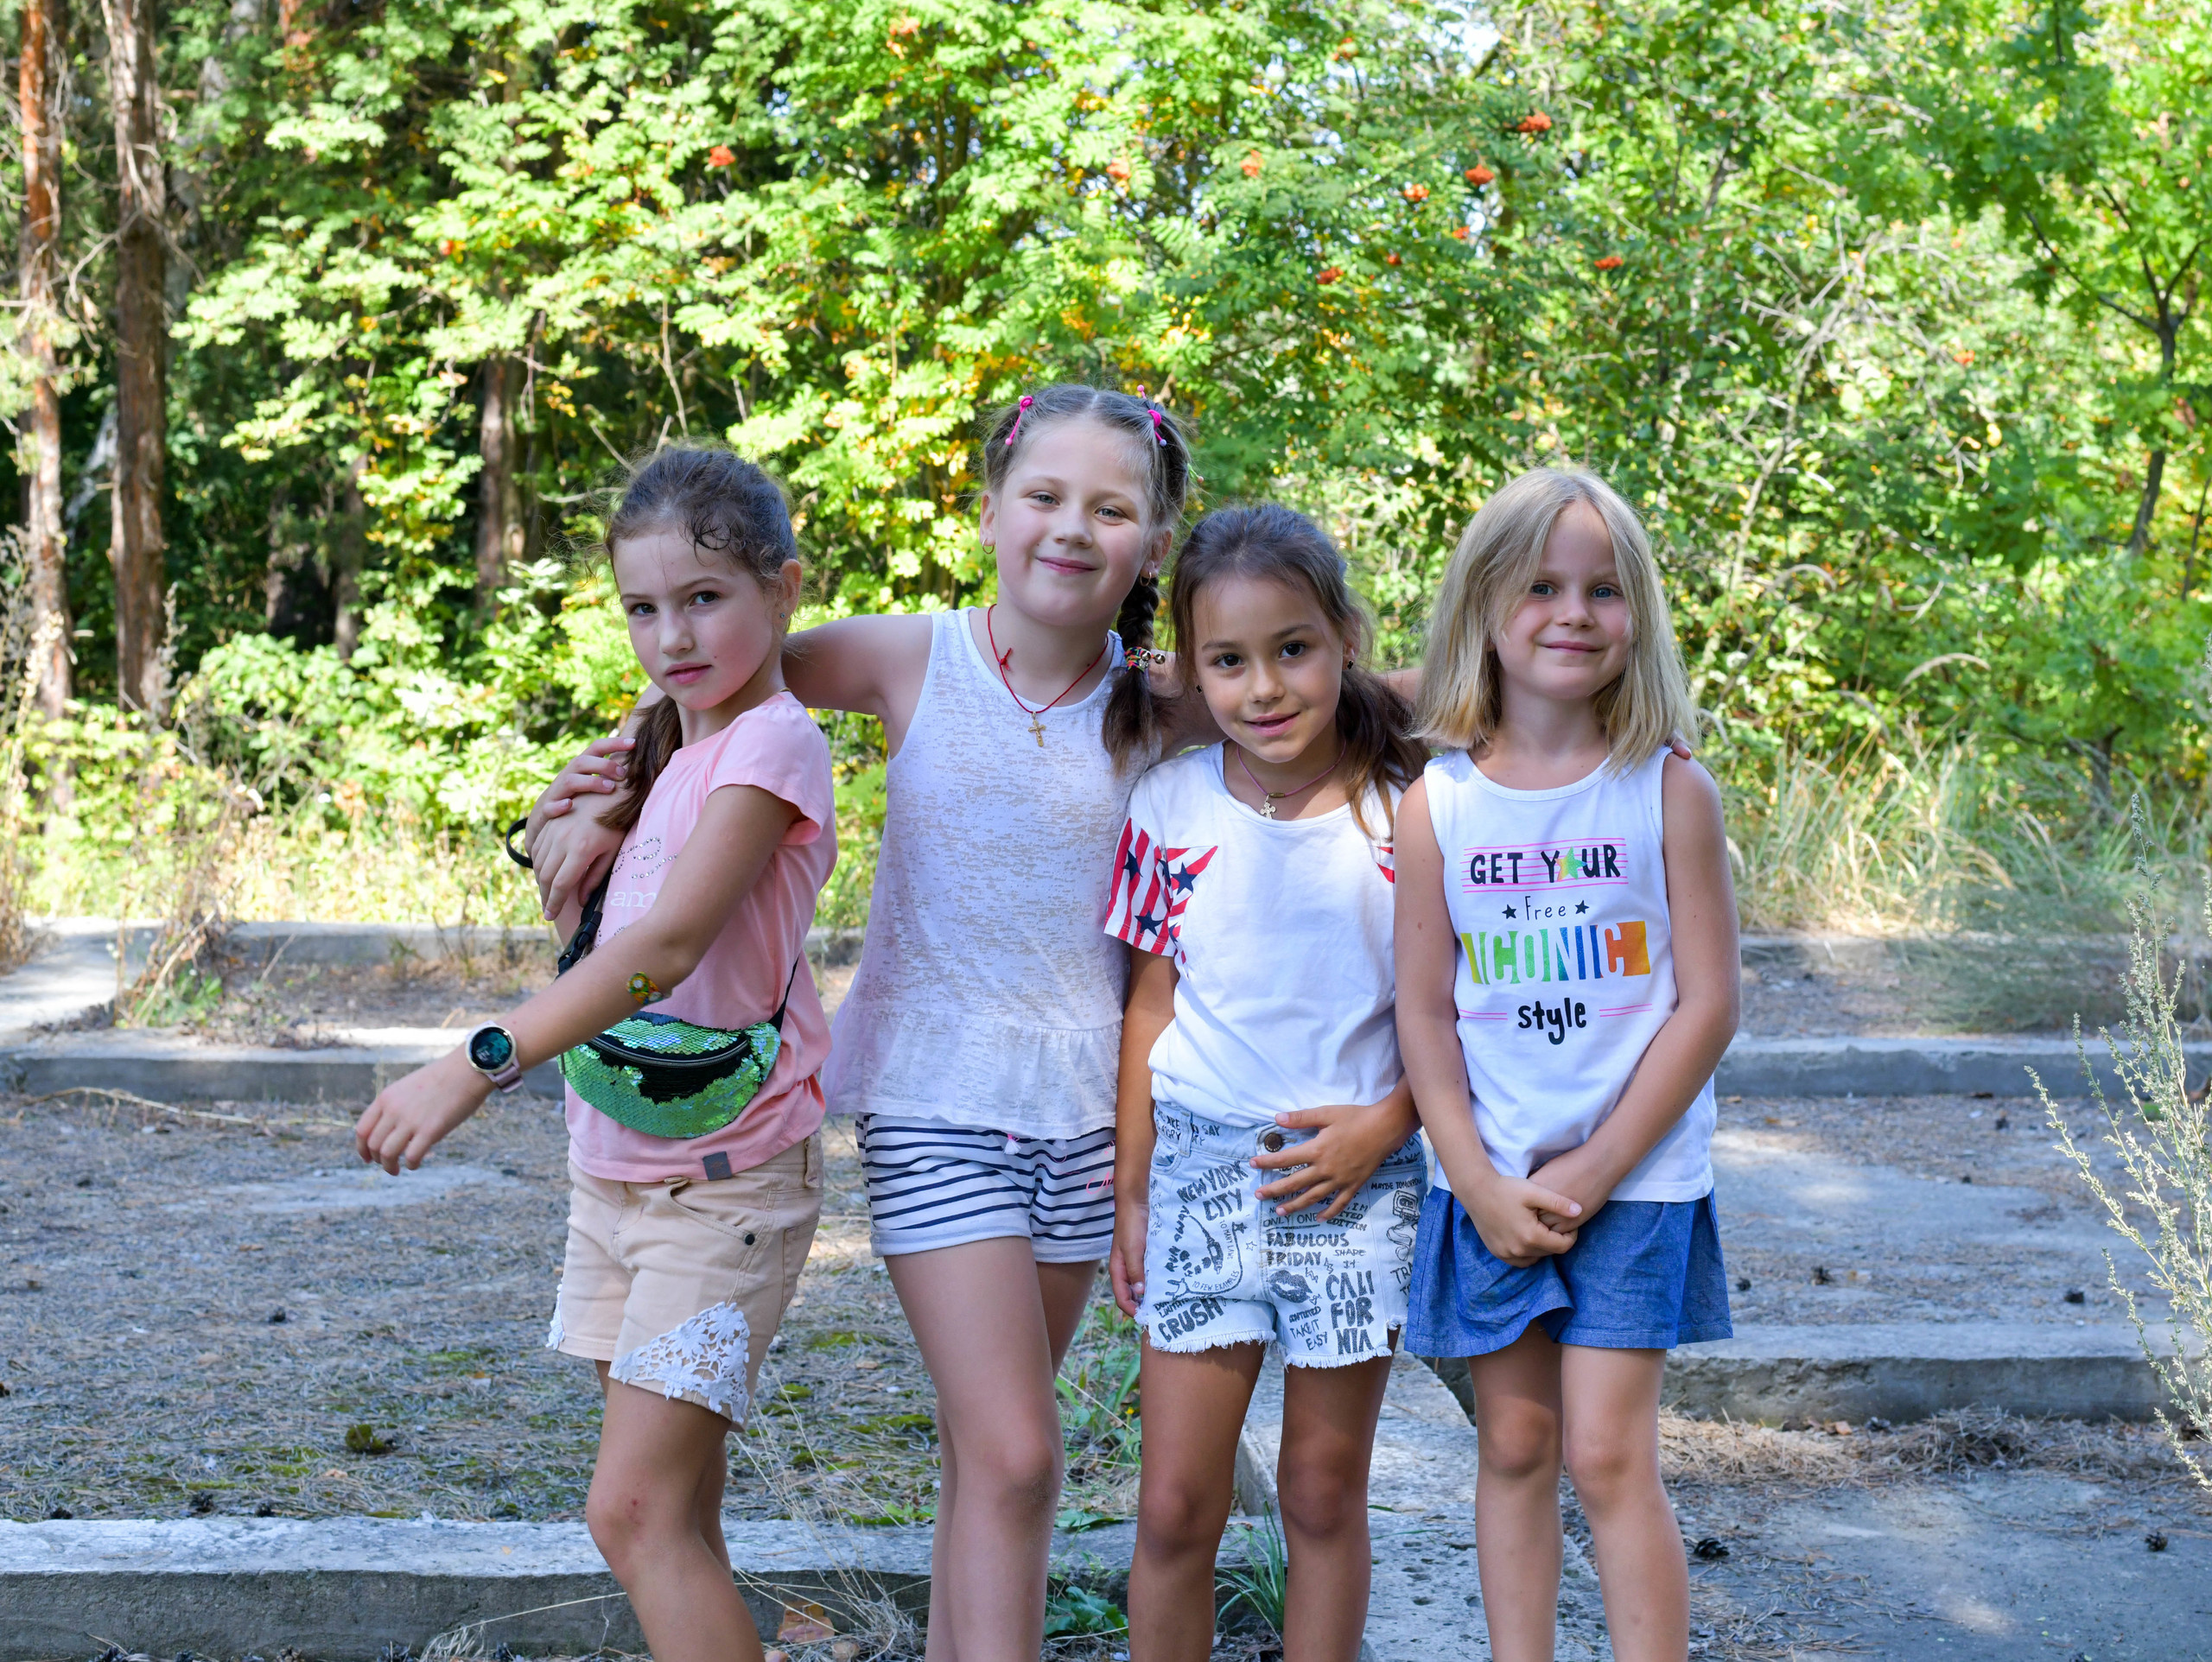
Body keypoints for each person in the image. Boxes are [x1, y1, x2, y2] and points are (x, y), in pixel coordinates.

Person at [524, 385, 1212, 1661]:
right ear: (995, 508)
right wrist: (600, 792)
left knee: (989, 1456)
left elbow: (1335, 695)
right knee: (1016, 1451)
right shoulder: (914, 655)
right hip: (933, 1098)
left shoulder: (1164, 700)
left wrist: (1515, 700)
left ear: (1154, 544)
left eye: (1111, 509)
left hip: (1088, 1111)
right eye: (1043, 497)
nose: (1071, 528)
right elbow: (722, 669)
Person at [353, 447, 836, 1662]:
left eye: (705, 598)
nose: (671, 634)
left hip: (719, 1198)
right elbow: (609, 946)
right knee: (677, 1514)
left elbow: (668, 951)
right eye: (642, 607)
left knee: (627, 1514)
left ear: (783, 589)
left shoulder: (772, 747)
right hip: (615, 1178)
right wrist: (556, 840)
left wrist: (474, 1062)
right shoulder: (662, 744)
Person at [1394, 466, 1739, 1662]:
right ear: (1486, 608)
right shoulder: (1435, 805)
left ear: (1636, 616)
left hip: (1634, 1181)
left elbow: (1707, 1006)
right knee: (1516, 1445)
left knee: (1605, 1451)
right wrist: (1476, 1179)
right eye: (1541, 586)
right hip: (1488, 1182)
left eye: (1603, 590)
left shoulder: (1668, 789)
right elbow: (1426, 1015)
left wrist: (1596, 1166)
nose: (1572, 613)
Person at [1105, 504, 1429, 1662]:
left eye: (1293, 649)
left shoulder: (1410, 812)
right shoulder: (1172, 807)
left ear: (1345, 638)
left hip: (1361, 1183)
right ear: (1193, 671)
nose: (1265, 687)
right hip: (1198, 1172)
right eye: (1228, 661)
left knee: (1323, 1497)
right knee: (1177, 1508)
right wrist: (1131, 1189)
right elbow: (1151, 1006)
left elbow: (1451, 1024)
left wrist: (1388, 1125)